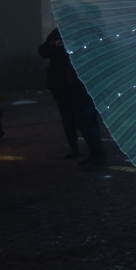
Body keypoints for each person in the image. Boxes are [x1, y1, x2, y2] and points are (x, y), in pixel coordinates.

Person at [38, 27, 107, 170]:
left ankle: (97, 154)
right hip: (65, 83)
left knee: (84, 118)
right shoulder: (60, 32)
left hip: (79, 82)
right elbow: (43, 51)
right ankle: (85, 150)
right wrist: (54, 45)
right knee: (73, 117)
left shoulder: (85, 33)